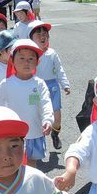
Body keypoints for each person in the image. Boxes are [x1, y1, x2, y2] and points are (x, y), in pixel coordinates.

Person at [0, 39, 53, 166]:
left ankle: (30, 184)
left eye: (31, 59)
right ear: (12, 61)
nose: (26, 62)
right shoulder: (7, 84)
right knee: (15, 164)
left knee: (31, 164)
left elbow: (46, 103)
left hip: (34, 131)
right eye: (22, 58)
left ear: (37, 62)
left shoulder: (39, 84)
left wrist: (48, 120)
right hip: (13, 134)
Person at [29, 21, 71, 150]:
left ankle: (55, 134)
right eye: (39, 34)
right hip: (35, 89)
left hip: (52, 87)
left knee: (56, 117)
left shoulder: (52, 53)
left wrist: (65, 84)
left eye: (45, 34)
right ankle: (37, 143)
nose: (43, 37)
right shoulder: (29, 55)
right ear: (30, 38)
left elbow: (59, 70)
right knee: (34, 115)